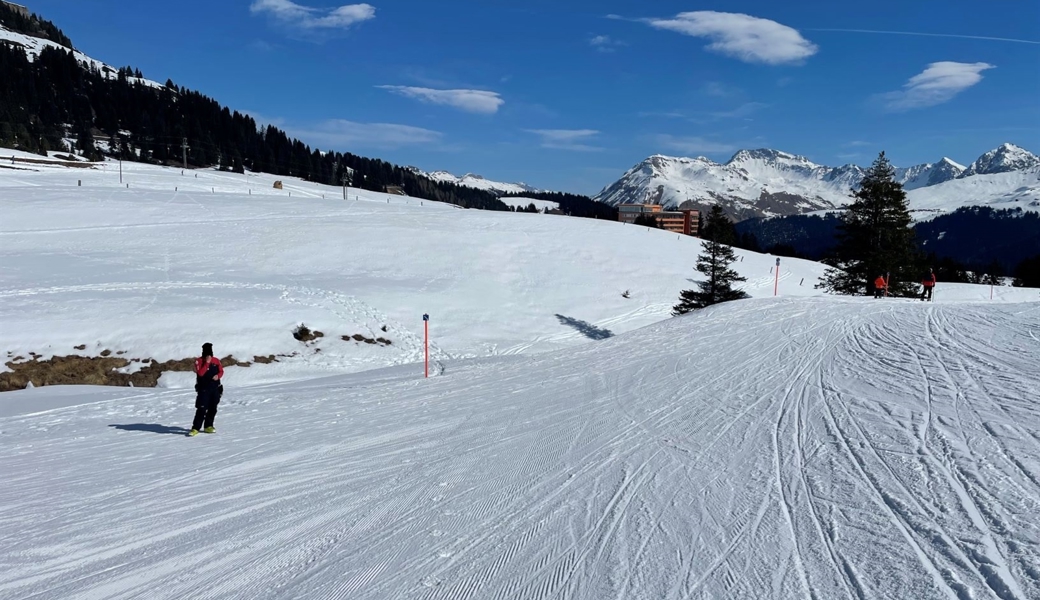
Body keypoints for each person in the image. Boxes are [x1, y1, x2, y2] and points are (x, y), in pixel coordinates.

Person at [189, 342, 223, 436]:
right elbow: (200, 373)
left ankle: (208, 426)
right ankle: (195, 428)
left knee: (213, 408)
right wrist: (207, 363)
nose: (209, 355)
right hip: (203, 389)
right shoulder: (198, 361)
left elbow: (221, 371)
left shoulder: (216, 360)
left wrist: (218, 376)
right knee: (202, 408)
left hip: (215, 388)